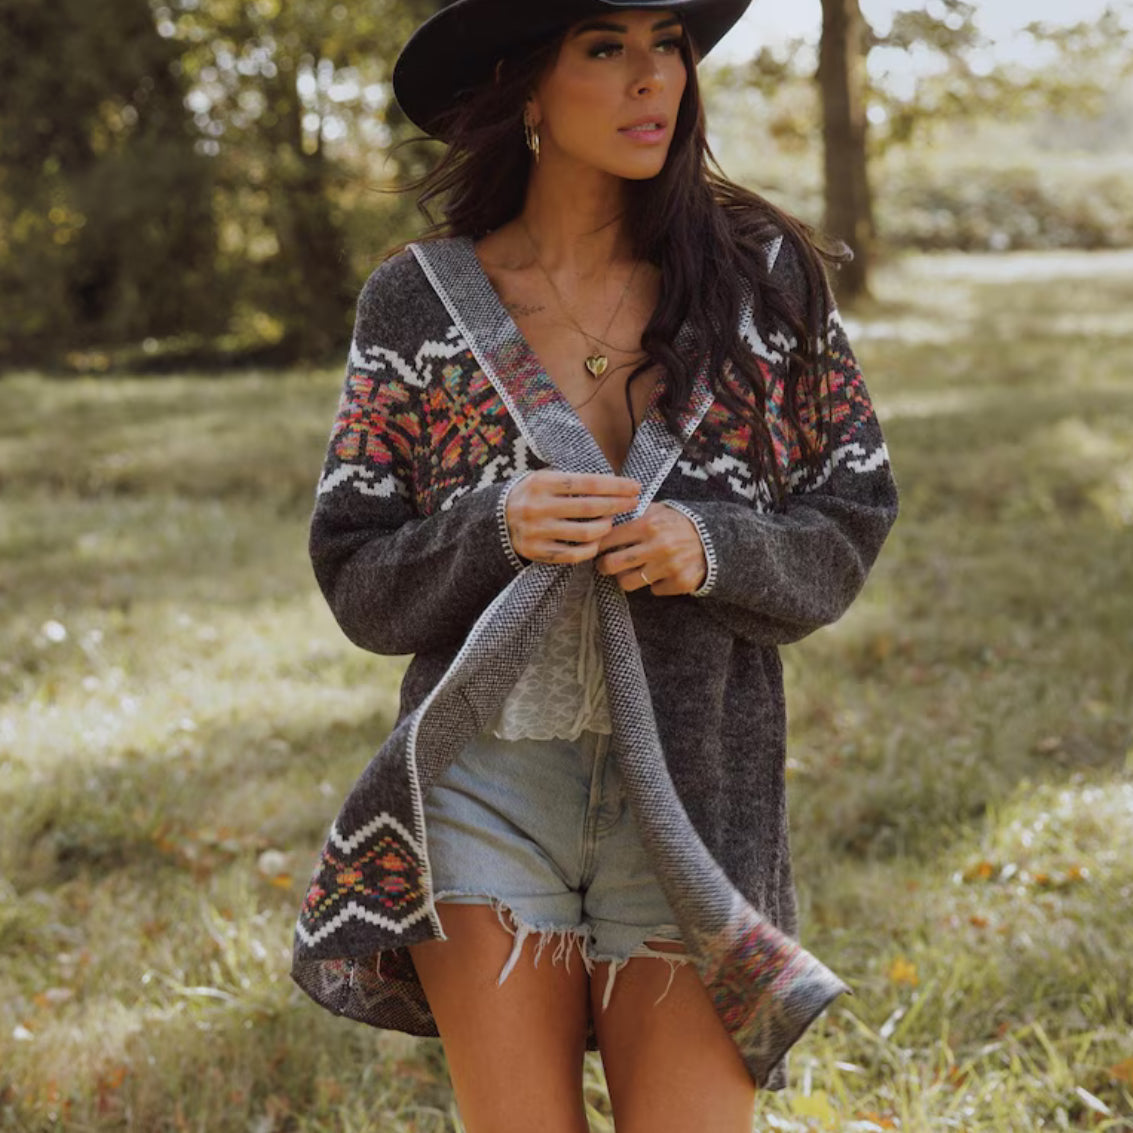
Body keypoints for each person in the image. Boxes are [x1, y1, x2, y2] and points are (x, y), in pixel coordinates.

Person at [289, 2, 899, 1130]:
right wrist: (495, 523)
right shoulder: (416, 303)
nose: (649, 79)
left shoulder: (761, 277)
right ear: (525, 86)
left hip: (692, 785)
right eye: (605, 48)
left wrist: (710, 547)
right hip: (485, 787)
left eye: (665, 43)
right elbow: (357, 574)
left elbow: (852, 506)